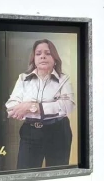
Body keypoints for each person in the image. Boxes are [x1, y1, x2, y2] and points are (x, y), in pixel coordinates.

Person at [6, 39, 75, 169]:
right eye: (38, 53)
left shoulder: (63, 79)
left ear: (54, 58)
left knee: (57, 175)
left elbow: (68, 105)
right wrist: (51, 105)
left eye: (48, 53)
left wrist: (32, 107)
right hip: (30, 132)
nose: (42, 56)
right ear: (34, 59)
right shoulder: (23, 79)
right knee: (25, 175)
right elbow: (11, 107)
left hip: (58, 131)